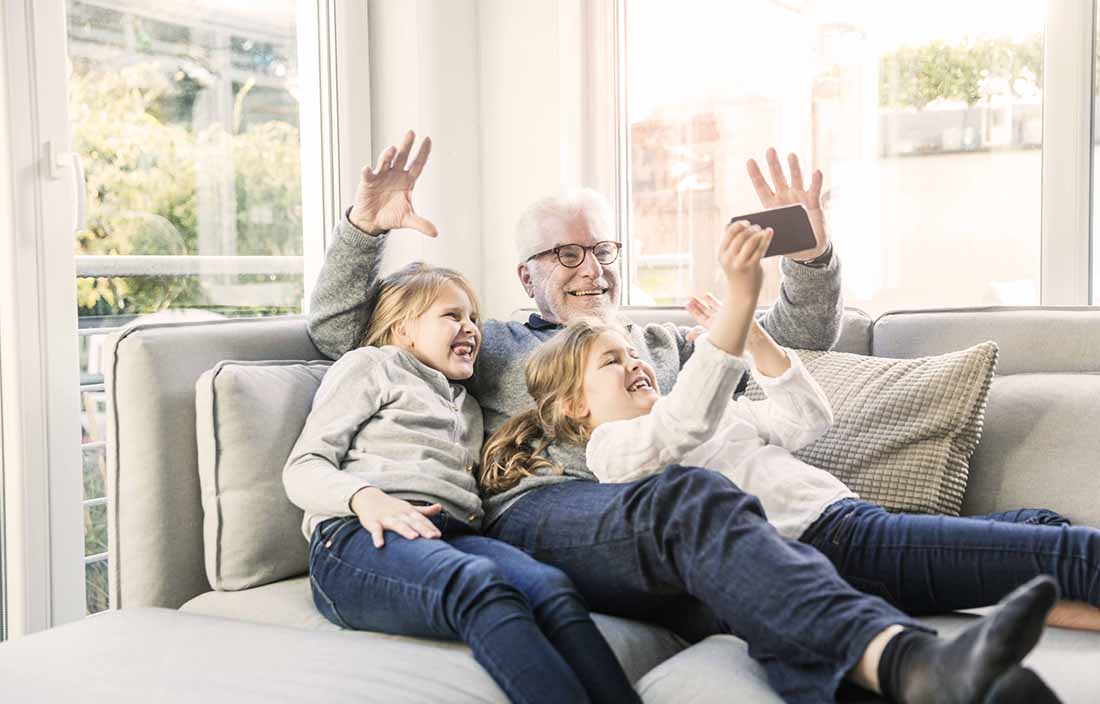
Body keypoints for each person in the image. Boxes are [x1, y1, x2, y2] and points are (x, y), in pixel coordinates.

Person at [306, 131, 1061, 702]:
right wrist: (365, 230)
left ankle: (944, 670)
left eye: (604, 250)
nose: (593, 269)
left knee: (819, 560)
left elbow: (794, 341)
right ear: (525, 275)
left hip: (676, 523)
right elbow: (350, 336)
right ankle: (912, 662)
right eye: (567, 254)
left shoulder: (663, 343)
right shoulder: (496, 343)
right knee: (701, 506)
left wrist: (810, 257)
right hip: (556, 507)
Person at [283, 263, 641, 704]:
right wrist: (366, 499)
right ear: (402, 329)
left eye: (473, 318)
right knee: (480, 585)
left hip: (451, 534)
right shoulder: (371, 366)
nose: (470, 328)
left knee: (552, 589)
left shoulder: (468, 403)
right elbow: (303, 466)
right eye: (452, 316)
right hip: (357, 537)